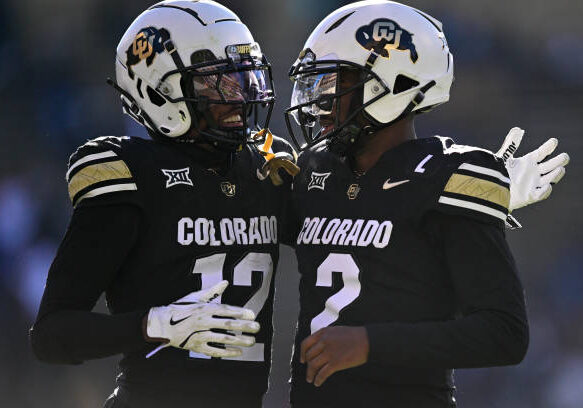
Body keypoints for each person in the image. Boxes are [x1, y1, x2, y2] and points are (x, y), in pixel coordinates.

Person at [283, 1, 570, 407]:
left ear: (395, 84)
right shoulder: (314, 171)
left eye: (335, 84)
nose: (320, 101)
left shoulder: (447, 179)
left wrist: (370, 343)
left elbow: (504, 333)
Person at [29, 1, 298, 407]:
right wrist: (153, 324)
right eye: (217, 83)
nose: (239, 97)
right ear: (160, 91)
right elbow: (51, 336)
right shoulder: (132, 174)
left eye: (244, 77)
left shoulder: (265, 165)